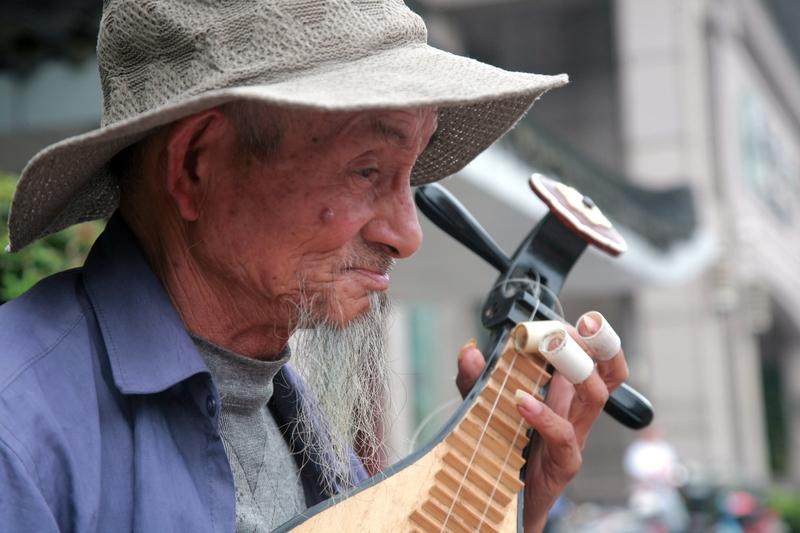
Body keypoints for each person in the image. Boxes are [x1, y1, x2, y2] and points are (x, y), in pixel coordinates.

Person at [0, 1, 629, 532]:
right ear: (197, 165)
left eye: (410, 177)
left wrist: (504, 501)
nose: (407, 235)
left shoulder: (290, 422)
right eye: (367, 170)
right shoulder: (20, 433)